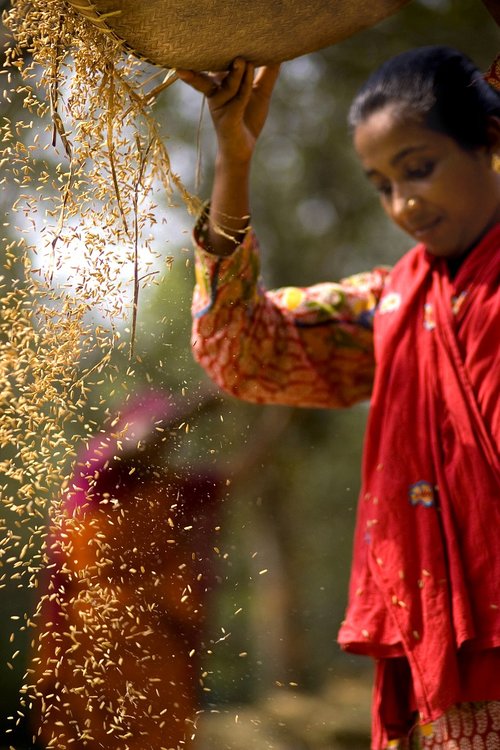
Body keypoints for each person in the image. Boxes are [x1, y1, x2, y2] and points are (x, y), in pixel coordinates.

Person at [176, 45, 500, 749]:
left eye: (419, 169)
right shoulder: (392, 307)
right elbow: (242, 349)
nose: (404, 204)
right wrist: (235, 162)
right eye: (382, 185)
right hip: (451, 694)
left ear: (489, 143)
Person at [29, 391, 223, 749]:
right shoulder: (99, 468)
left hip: (157, 641)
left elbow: (235, 475)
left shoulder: (171, 489)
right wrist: (198, 404)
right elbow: (141, 439)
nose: (166, 441)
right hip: (91, 639)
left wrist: (282, 417)